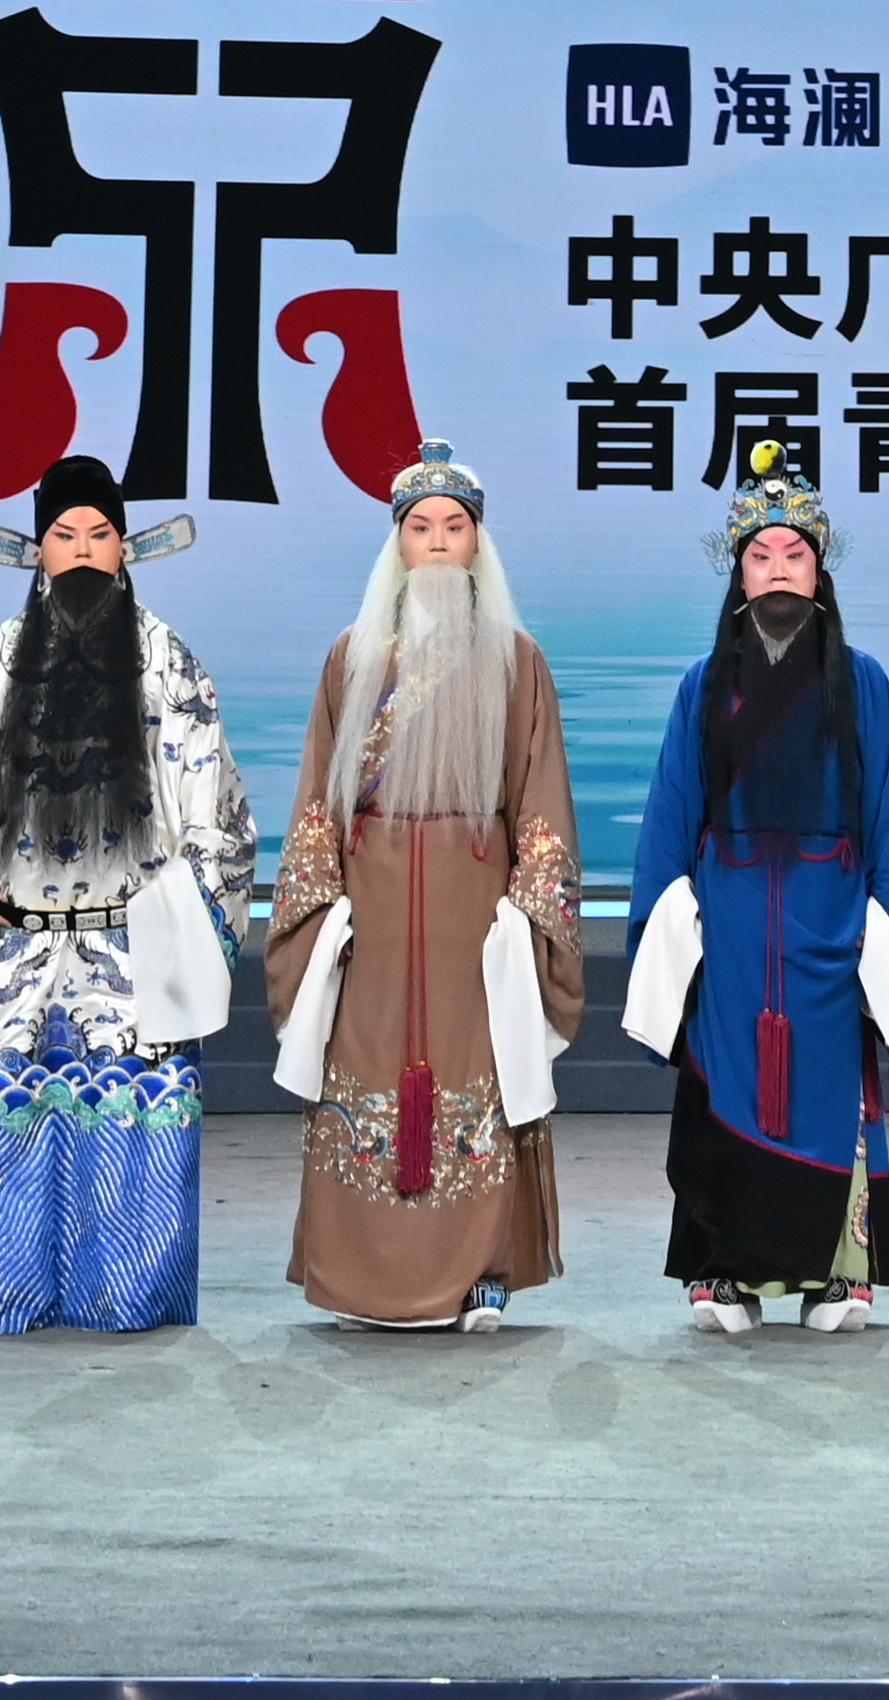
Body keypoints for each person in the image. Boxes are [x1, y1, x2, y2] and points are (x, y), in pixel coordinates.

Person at [0, 455, 254, 1334]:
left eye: (101, 535)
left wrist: (174, 908)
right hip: (15, 951)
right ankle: (2, 1297)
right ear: (38, 550)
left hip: (133, 952)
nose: (85, 553)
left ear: (127, 548)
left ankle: (130, 1295)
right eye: (66, 536)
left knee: (136, 1130)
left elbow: (219, 822)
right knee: (9, 1129)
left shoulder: (170, 666)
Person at [625, 440, 889, 1333]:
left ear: (820, 572)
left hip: (828, 917)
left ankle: (838, 1273)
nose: (776, 571)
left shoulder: (861, 683)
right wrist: (660, 930)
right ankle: (720, 1271)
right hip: (727, 922)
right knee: (721, 1082)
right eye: (759, 555)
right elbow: (669, 816)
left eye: (793, 555)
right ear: (736, 574)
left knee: (832, 1089)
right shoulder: (704, 685)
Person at [265, 439, 583, 1327]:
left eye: (454, 528)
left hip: (471, 917)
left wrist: (527, 921)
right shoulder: (350, 658)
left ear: (478, 544)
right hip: (370, 911)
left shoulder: (519, 662)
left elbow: (542, 804)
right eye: (420, 528)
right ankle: (355, 1271)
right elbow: (315, 803)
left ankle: (483, 1270)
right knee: (362, 1067)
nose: (438, 543)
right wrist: (317, 917)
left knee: (478, 1073)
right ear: (397, 545)